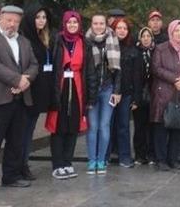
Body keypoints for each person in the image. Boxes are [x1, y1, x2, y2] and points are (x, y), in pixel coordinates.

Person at [0, 6, 38, 195]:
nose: (12, 24)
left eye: (16, 21)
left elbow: (34, 64)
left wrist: (26, 80)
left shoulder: (24, 42)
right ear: (0, 19)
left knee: (16, 141)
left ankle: (11, 176)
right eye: (9, 20)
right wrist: (17, 79)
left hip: (20, 98)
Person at [45, 10, 94, 180]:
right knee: (58, 126)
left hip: (78, 87)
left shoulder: (85, 43)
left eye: (75, 22)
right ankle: (57, 164)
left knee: (73, 126)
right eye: (69, 22)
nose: (72, 25)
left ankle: (67, 162)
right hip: (60, 87)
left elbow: (89, 70)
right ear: (64, 24)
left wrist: (91, 96)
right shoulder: (56, 40)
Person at [151, 19, 180, 171]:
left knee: (177, 128)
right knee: (161, 129)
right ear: (171, 32)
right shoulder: (161, 49)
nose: (179, 34)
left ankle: (173, 159)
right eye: (176, 31)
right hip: (163, 94)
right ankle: (161, 160)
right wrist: (175, 79)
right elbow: (156, 68)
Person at [19, 7, 56, 180]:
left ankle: (23, 163)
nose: (41, 20)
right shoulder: (24, 40)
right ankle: (20, 165)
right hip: (27, 92)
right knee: (23, 131)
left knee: (29, 130)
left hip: (40, 92)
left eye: (44, 17)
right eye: (38, 17)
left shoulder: (44, 38)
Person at [84, 14, 121, 175]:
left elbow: (118, 69)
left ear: (106, 24)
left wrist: (117, 91)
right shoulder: (86, 41)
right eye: (95, 23)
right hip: (91, 90)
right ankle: (92, 161)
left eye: (101, 23)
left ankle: (101, 160)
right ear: (91, 25)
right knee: (92, 127)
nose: (99, 26)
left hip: (107, 89)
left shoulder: (112, 39)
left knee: (104, 126)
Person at [112, 18, 137, 168]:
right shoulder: (108, 47)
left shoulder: (132, 49)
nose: (121, 31)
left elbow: (135, 75)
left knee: (123, 125)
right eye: (119, 28)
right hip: (109, 91)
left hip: (126, 93)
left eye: (124, 28)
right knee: (106, 125)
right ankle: (106, 154)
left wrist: (135, 97)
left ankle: (125, 156)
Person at [132, 27, 156, 164]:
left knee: (152, 126)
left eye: (148, 36)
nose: (146, 38)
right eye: (144, 36)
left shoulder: (156, 52)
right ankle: (140, 154)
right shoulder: (136, 53)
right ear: (140, 38)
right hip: (139, 94)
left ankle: (151, 153)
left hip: (153, 95)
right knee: (139, 126)